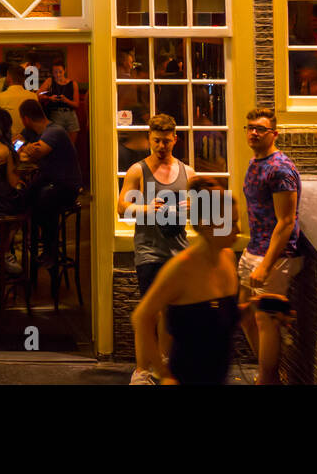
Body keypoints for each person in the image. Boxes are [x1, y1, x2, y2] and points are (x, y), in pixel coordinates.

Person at [132, 178, 248, 385]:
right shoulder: (181, 268)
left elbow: (222, 316)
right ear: (206, 224)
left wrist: (257, 307)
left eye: (236, 221)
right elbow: (141, 318)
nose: (237, 230)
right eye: (230, 223)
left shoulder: (228, 258)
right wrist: (162, 372)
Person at [116, 112, 192, 383]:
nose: (161, 146)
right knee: (150, 311)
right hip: (149, 251)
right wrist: (148, 208)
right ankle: (142, 370)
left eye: (166, 142)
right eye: (156, 141)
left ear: (175, 140)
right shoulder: (139, 170)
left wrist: (190, 207)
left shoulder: (188, 172)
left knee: (172, 312)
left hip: (179, 250)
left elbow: (205, 213)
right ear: (149, 138)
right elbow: (122, 207)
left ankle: (164, 367)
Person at [239, 106, 302, 385]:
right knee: (244, 311)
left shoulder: (279, 169)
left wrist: (266, 264)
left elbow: (286, 221)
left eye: (260, 129)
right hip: (254, 247)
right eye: (250, 127)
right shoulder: (256, 162)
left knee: (266, 319)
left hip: (276, 256)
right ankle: (270, 375)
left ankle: (267, 380)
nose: (253, 132)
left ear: (273, 134)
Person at [17, 99, 83, 271]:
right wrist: (25, 146)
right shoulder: (32, 131)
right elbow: (15, 141)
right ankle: (34, 243)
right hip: (50, 180)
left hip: (67, 185)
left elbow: (34, 155)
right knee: (26, 194)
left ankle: (50, 251)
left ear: (25, 119)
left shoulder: (54, 131)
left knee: (43, 200)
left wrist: (25, 149)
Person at [40, 61, 82, 146]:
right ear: (52, 72)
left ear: (64, 71)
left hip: (71, 115)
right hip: (56, 114)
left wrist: (66, 100)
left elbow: (76, 104)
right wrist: (49, 98)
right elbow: (39, 94)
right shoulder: (50, 81)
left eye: (60, 72)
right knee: (57, 144)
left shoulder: (73, 83)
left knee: (71, 145)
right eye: (55, 72)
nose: (58, 74)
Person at [0, 65, 38, 136]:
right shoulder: (33, 96)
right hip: (28, 139)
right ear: (24, 80)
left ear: (9, 78)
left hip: (7, 140)